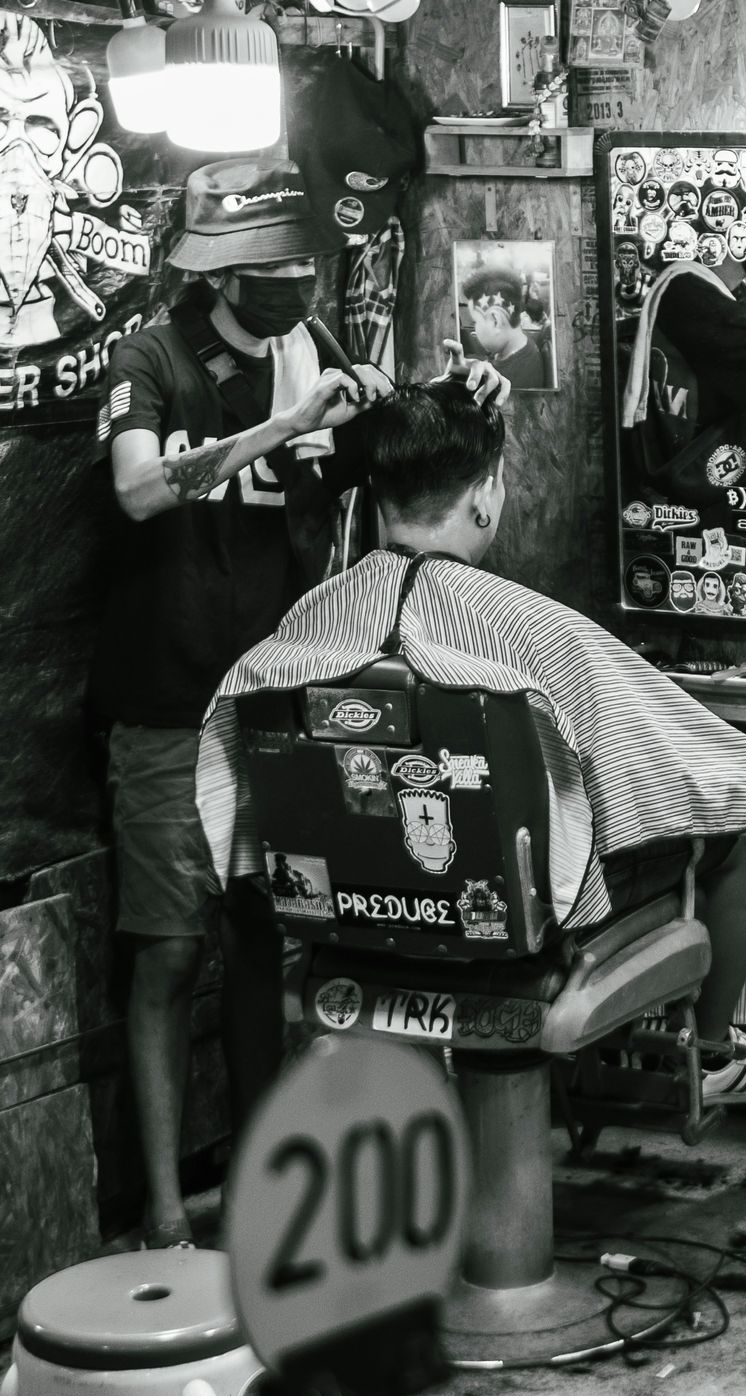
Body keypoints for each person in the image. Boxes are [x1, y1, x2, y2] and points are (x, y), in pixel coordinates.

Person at [94, 156, 502, 1250]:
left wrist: (456, 394)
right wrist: (284, 428)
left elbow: (394, 454)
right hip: (173, 707)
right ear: (220, 269)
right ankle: (166, 1213)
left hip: (283, 701)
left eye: (304, 267)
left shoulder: (311, 351)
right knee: (171, 952)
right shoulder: (151, 360)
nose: (295, 286)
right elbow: (138, 488)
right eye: (275, 268)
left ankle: (270, 1181)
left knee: (265, 941)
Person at [197, 379, 746, 1106]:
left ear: (383, 495)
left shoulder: (304, 624)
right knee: (743, 808)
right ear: (485, 496)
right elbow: (700, 767)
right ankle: (708, 1055)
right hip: (517, 915)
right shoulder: (529, 629)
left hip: (355, 915)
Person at [460, 264, 550, 390]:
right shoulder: (516, 345)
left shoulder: (507, 383)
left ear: (496, 321)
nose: (475, 329)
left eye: (476, 322)